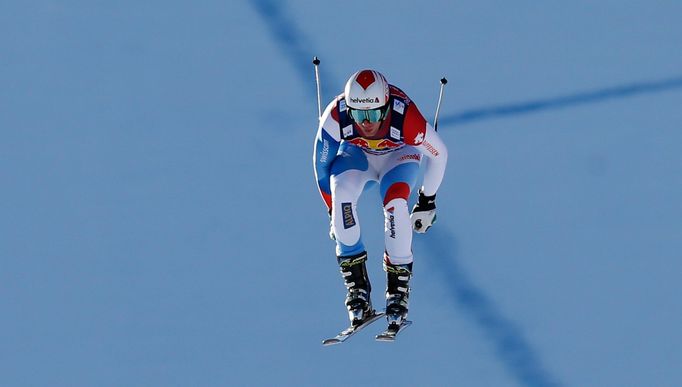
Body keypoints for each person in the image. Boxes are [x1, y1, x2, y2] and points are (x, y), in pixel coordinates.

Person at [313, 69, 448, 329]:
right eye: (358, 114)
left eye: (373, 114)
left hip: (398, 156)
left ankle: (397, 289)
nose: (366, 123)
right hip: (357, 156)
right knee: (340, 196)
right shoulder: (335, 115)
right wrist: (331, 210)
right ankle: (357, 290)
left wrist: (426, 200)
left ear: (385, 107)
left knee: (396, 205)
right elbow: (321, 166)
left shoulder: (404, 117)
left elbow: (439, 153)